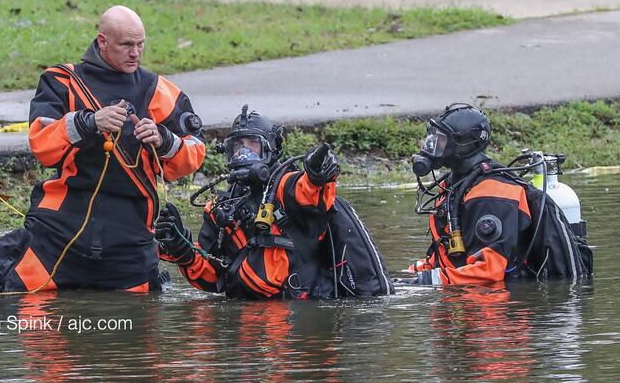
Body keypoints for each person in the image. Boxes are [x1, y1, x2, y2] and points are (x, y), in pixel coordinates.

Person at [0, 5, 206, 293]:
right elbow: (42, 146)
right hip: (62, 229)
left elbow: (194, 153)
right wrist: (89, 122)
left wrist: (165, 140)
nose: (136, 53)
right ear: (103, 41)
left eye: (140, 44)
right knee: (4, 298)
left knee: (136, 327)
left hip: (129, 235)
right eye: (126, 45)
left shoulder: (159, 91)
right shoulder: (62, 81)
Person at [156, 106, 393, 299]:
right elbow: (212, 279)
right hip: (250, 328)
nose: (244, 154)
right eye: (238, 147)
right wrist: (183, 249)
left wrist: (318, 175)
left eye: (252, 146)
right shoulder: (219, 206)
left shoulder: (284, 186)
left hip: (297, 319)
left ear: (271, 149)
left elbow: (310, 192)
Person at [406, 103, 591, 287]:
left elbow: (489, 271)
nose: (433, 145)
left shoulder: (492, 194)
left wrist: (426, 282)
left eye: (442, 139)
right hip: (468, 298)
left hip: (501, 307)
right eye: (434, 137)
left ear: (464, 145)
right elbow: (451, 256)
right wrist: (410, 275)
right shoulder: (455, 185)